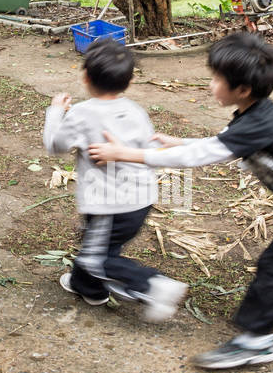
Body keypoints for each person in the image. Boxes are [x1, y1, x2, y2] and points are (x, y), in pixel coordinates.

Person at [88, 31, 273, 370]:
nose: (211, 85)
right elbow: (222, 144)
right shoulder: (254, 114)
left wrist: (125, 153)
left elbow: (199, 157)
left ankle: (256, 341)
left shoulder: (258, 122)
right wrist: (177, 140)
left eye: (217, 79)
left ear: (242, 89)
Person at [43, 39, 185, 320]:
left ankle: (154, 285)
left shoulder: (82, 114)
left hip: (110, 204)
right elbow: (146, 149)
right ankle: (89, 289)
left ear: (85, 76)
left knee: (94, 257)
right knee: (103, 245)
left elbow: (54, 146)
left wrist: (56, 111)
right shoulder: (135, 111)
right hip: (141, 198)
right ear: (129, 81)